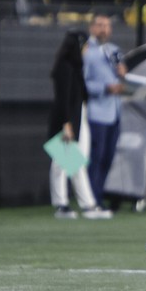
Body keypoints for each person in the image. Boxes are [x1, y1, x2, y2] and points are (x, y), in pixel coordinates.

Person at [48, 30, 113, 220]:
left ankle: (84, 205)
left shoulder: (75, 67)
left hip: (77, 116)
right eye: (84, 46)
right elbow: (63, 99)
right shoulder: (65, 68)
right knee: (61, 164)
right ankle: (64, 205)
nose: (86, 50)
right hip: (67, 119)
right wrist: (66, 123)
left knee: (76, 163)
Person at [83, 14, 127, 209]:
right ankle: (92, 199)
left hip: (115, 111)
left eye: (107, 25)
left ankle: (98, 195)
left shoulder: (114, 50)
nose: (104, 29)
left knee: (108, 157)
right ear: (92, 27)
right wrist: (105, 88)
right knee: (96, 157)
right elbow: (82, 83)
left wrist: (124, 78)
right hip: (96, 112)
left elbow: (120, 79)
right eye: (100, 25)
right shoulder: (86, 52)